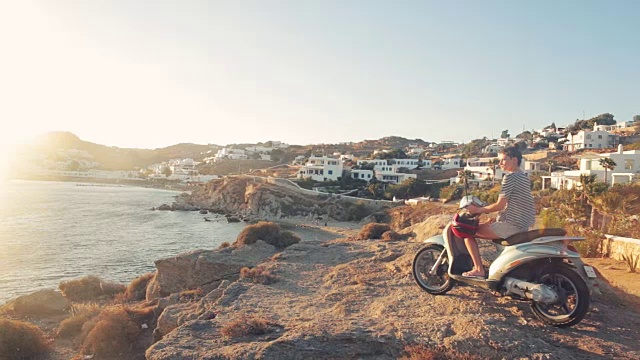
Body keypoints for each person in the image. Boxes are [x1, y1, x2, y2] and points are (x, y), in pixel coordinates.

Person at [461, 146, 536, 278]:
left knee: (467, 232)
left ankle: (478, 269)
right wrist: (496, 219)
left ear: (514, 160)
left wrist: (477, 210)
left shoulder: (510, 178)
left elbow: (500, 205)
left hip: (511, 226)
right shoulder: (523, 177)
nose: (500, 163)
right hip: (522, 225)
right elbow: (513, 205)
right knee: (484, 227)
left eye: (503, 160)